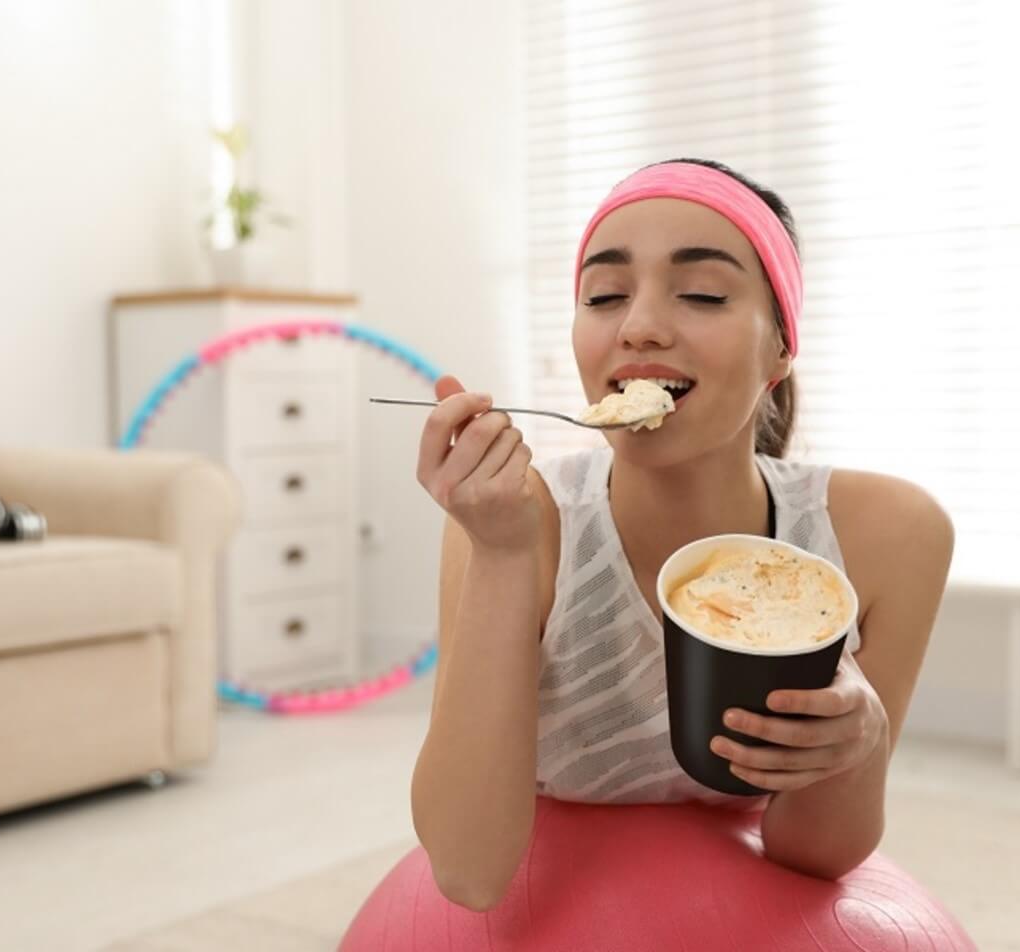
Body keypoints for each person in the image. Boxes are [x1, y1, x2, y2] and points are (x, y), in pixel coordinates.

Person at [409, 158, 955, 911]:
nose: (638, 326)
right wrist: (502, 551)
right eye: (604, 295)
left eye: (701, 293)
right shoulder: (510, 516)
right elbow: (468, 873)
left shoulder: (889, 534)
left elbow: (815, 857)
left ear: (781, 348)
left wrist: (856, 749)